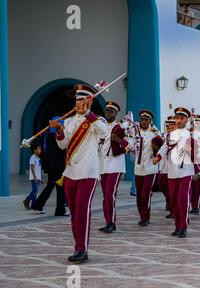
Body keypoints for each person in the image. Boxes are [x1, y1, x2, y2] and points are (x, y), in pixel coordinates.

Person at [51, 84, 108, 264]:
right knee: (74, 212)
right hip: (70, 172)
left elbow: (104, 132)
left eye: (82, 100)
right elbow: (62, 145)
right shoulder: (68, 121)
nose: (78, 103)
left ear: (89, 101)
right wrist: (59, 131)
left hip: (88, 172)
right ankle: (78, 245)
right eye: (76, 100)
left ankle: (82, 249)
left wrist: (88, 115)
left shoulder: (96, 120)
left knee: (83, 210)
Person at [153, 107, 198, 238]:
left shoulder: (191, 135)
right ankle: (177, 226)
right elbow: (164, 148)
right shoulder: (169, 135)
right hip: (172, 171)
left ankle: (183, 226)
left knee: (182, 200)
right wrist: (157, 157)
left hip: (185, 171)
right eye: (177, 118)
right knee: (173, 201)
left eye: (181, 118)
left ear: (186, 120)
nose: (178, 120)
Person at [98, 101, 129, 233]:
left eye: (111, 111)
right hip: (103, 165)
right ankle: (108, 222)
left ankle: (111, 222)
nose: (108, 113)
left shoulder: (121, 127)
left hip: (115, 165)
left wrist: (120, 141)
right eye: (107, 111)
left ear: (116, 113)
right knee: (105, 195)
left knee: (110, 194)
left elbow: (130, 145)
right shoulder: (101, 126)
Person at [30, 117, 67, 216]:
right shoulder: (57, 136)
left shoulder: (47, 136)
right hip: (58, 166)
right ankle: (60, 210)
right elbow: (63, 150)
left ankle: (38, 204)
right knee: (60, 188)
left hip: (51, 166)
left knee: (50, 186)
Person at [134, 109, 162, 226]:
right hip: (138, 167)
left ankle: (146, 216)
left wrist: (156, 149)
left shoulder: (155, 133)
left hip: (150, 167)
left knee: (146, 193)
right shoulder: (135, 132)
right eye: (142, 120)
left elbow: (161, 147)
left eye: (146, 120)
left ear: (150, 121)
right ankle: (141, 215)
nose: (144, 122)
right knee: (139, 194)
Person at [157, 116, 176, 219]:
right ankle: (171, 206)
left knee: (171, 190)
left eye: (172, 124)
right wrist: (158, 157)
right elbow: (163, 148)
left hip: (174, 168)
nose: (170, 126)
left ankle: (174, 209)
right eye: (169, 125)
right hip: (164, 166)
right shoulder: (167, 136)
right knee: (161, 185)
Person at [189, 114, 200, 215]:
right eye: (195, 122)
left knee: (198, 187)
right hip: (189, 163)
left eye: (198, 122)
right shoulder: (188, 133)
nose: (197, 124)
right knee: (191, 186)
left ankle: (196, 206)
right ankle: (191, 205)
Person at [23, 142, 45, 212]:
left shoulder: (38, 158)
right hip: (34, 177)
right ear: (34, 150)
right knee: (35, 190)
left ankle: (33, 204)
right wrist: (35, 177)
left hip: (37, 177)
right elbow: (32, 168)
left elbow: (38, 169)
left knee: (35, 192)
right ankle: (27, 199)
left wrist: (40, 178)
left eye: (40, 149)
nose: (40, 150)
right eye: (39, 149)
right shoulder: (32, 158)